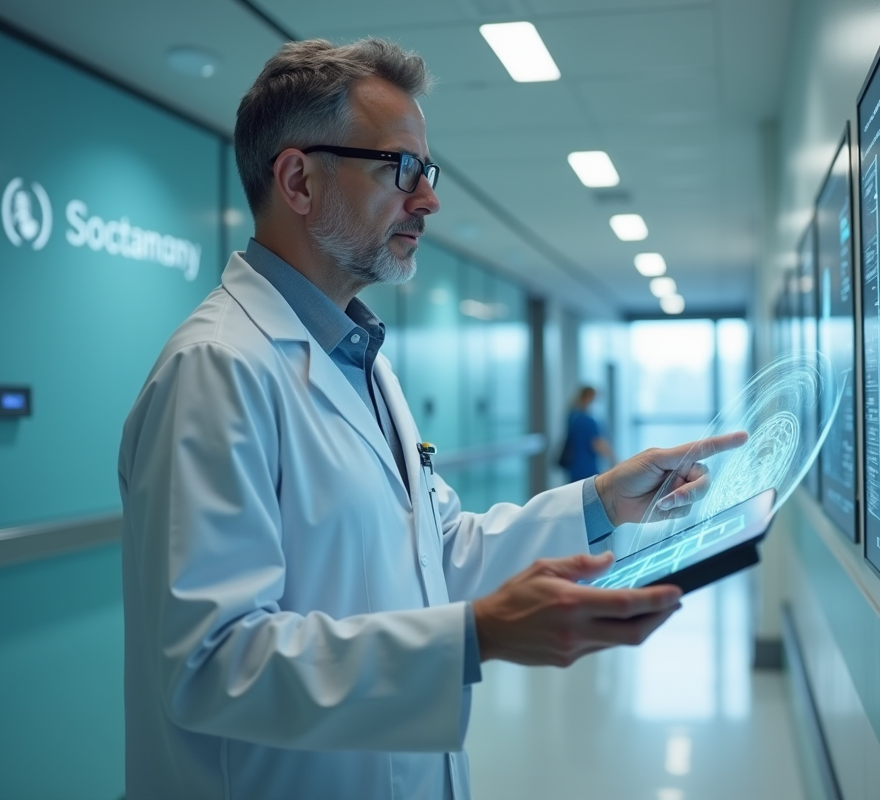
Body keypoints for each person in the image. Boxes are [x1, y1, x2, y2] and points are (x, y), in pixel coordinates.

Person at [117, 38, 745, 800]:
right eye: (400, 169)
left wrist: (602, 500)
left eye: (428, 171)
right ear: (298, 180)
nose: (430, 199)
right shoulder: (216, 369)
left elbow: (436, 551)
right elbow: (210, 665)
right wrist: (472, 637)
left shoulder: (364, 359)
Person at [560, 385, 616, 481]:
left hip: (574, 467)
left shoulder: (572, 416)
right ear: (588, 397)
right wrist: (613, 459)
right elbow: (597, 444)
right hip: (587, 469)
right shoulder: (587, 420)